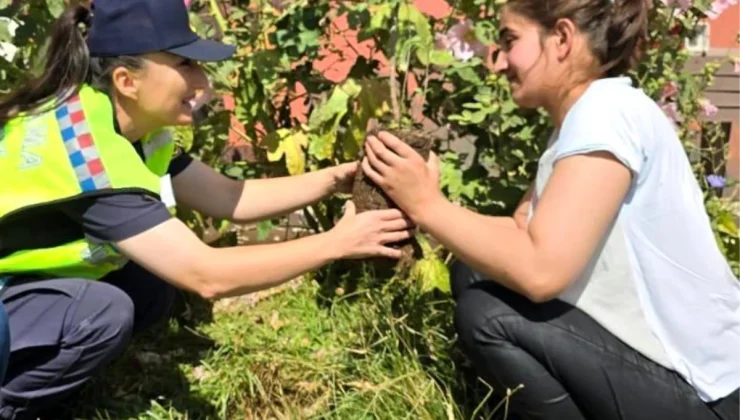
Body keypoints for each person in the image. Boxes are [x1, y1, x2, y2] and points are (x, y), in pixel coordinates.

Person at [0, 0, 414, 418]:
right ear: (127, 80)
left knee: (148, 281)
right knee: (104, 312)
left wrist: (331, 180)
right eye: (186, 66)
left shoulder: (114, 118)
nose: (204, 85)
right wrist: (337, 243)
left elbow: (230, 198)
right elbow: (206, 276)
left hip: (19, 284)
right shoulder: (91, 162)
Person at [361, 0, 740, 419]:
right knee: (474, 271)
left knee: (488, 316)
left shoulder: (605, 115)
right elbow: (520, 230)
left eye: (510, 40)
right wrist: (429, 205)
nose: (498, 62)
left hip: (711, 397)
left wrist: (427, 206)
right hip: (689, 383)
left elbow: (540, 272)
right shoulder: (589, 113)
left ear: (561, 38)